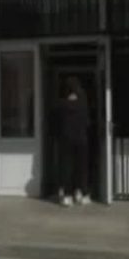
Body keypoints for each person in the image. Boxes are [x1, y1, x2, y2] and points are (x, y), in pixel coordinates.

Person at [56, 76, 91, 207]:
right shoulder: (83, 101)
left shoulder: (63, 103)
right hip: (81, 138)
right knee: (81, 167)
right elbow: (87, 120)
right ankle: (81, 193)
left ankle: (67, 195)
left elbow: (58, 117)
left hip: (67, 139)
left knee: (67, 167)